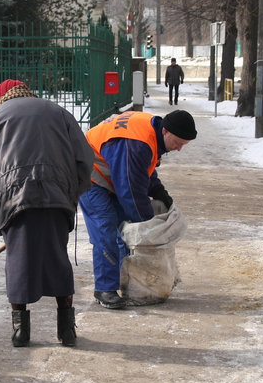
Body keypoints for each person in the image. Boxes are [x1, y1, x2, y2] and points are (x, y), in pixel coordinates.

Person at [0, 80, 94, 347]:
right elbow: (84, 158)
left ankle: (21, 331)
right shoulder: (59, 112)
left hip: (12, 198)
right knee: (57, 258)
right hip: (57, 195)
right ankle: (66, 330)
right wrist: (71, 193)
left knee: (18, 261)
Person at [79, 110, 197, 310]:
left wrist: (159, 192)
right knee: (106, 229)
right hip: (89, 174)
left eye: (184, 145)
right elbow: (130, 191)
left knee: (124, 230)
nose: (179, 149)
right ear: (166, 132)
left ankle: (126, 283)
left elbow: (141, 171)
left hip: (109, 173)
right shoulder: (136, 143)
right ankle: (104, 289)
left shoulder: (151, 133)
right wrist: (147, 225)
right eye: (178, 143)